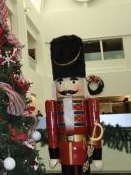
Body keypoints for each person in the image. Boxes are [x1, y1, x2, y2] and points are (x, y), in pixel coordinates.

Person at [45, 35, 103, 175]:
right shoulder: (53, 105)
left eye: (72, 81)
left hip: (84, 147)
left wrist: (96, 155)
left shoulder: (89, 104)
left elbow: (95, 128)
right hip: (64, 149)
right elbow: (52, 130)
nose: (65, 87)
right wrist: (54, 154)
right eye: (60, 82)